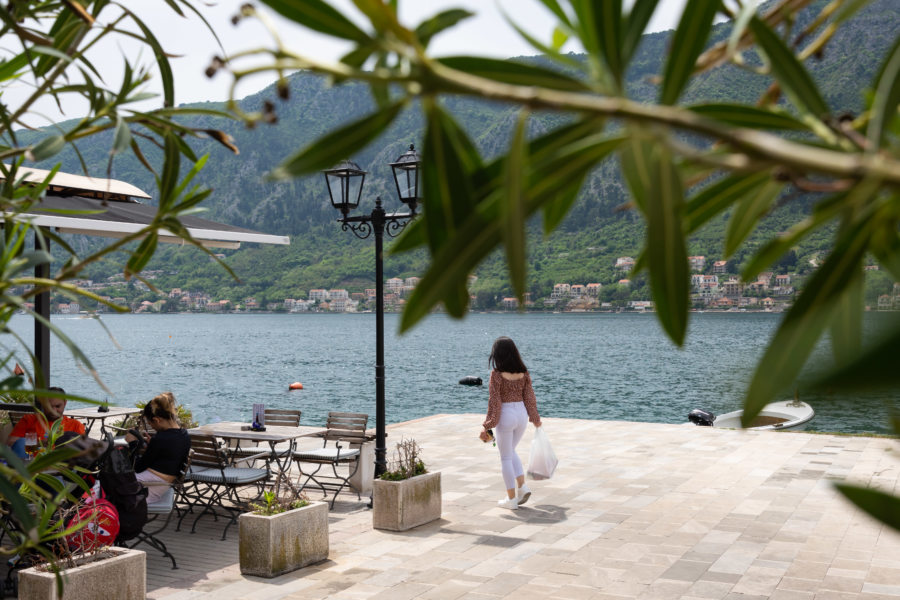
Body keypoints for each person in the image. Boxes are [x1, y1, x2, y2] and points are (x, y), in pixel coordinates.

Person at [480, 337, 542, 510]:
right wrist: (535, 418)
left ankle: (511, 499)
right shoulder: (523, 372)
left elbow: (494, 401)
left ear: (497, 354)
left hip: (506, 415)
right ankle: (522, 487)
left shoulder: (497, 374)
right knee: (511, 451)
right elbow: (530, 397)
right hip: (521, 414)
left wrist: (487, 425)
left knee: (505, 457)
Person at [125, 392, 190, 504]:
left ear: (157, 420)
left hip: (150, 486)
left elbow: (138, 467)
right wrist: (153, 446)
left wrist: (133, 444)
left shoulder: (160, 439)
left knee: (106, 481)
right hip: (163, 483)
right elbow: (170, 454)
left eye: (151, 423)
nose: (152, 427)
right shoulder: (184, 435)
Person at [7, 386, 85, 458]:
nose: (54, 411)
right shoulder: (30, 419)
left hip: (61, 467)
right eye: (49, 407)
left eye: (58, 406)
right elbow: (11, 443)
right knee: (21, 442)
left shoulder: (75, 425)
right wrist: (38, 444)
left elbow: (84, 451)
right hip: (31, 465)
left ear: (65, 403)